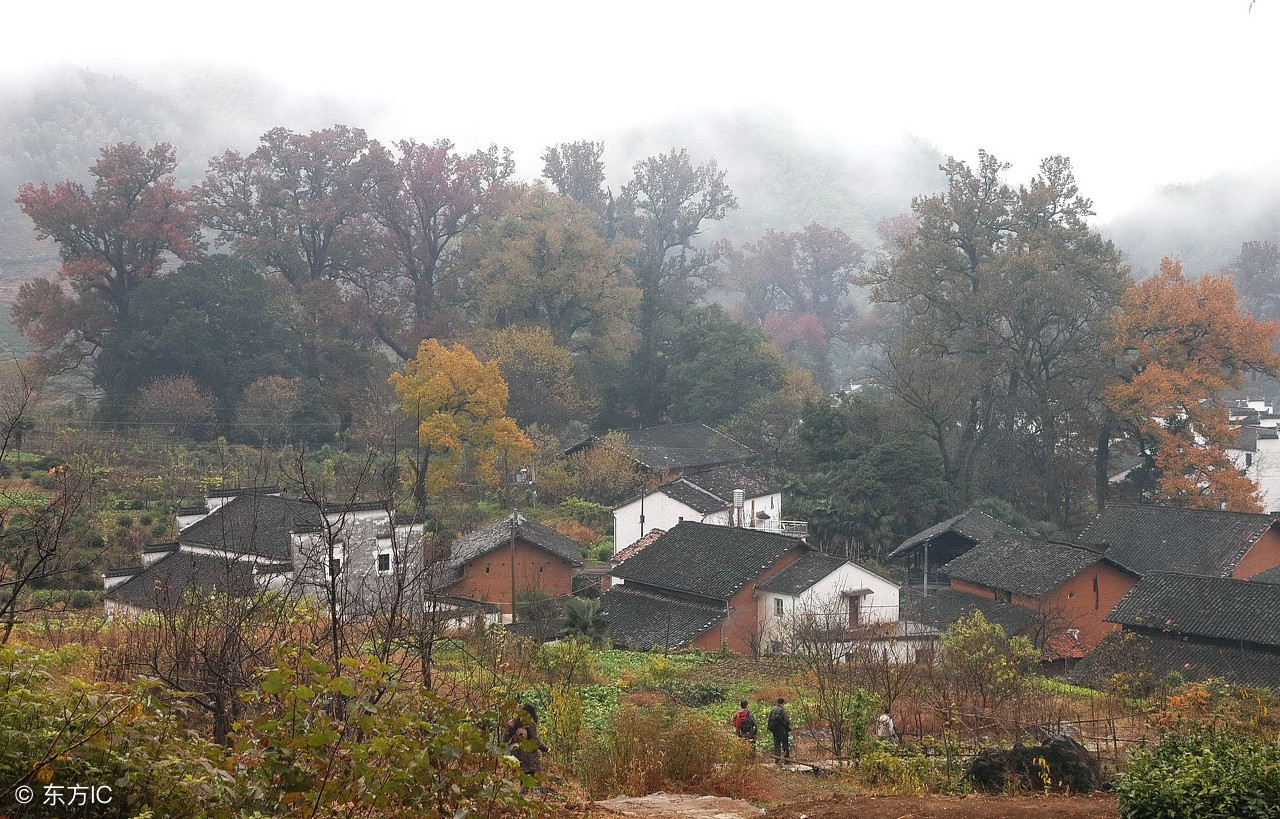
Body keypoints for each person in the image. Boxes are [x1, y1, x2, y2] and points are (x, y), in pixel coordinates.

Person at [504, 702, 547, 787]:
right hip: (529, 756)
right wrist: (545, 749)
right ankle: (528, 793)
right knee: (531, 776)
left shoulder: (511, 722)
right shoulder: (529, 724)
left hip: (515, 755)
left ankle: (524, 792)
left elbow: (504, 739)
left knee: (522, 776)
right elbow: (535, 740)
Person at [766, 697, 791, 764]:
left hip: (774, 730)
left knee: (777, 745)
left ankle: (777, 759)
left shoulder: (772, 710)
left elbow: (769, 720)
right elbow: (787, 721)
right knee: (785, 745)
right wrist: (788, 729)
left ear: (777, 702)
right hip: (782, 731)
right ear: (783, 703)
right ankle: (786, 760)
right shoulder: (784, 711)